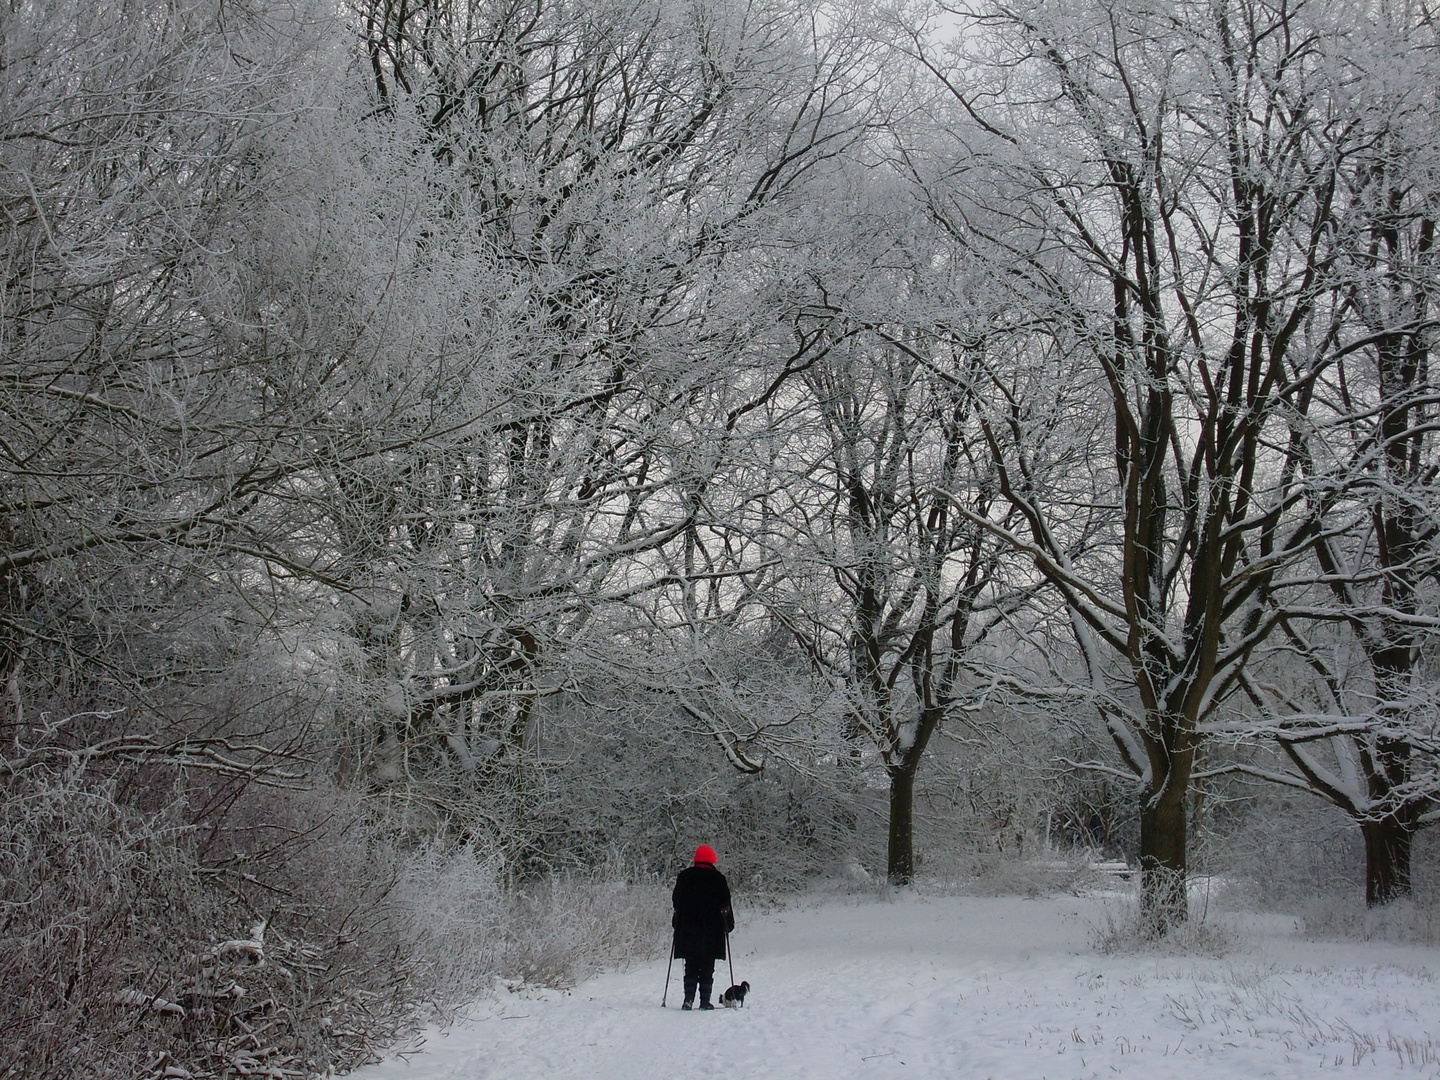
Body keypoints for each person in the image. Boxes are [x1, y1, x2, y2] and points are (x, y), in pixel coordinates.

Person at [671, 844, 733, 1010]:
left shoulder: (684, 876)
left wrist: (677, 922)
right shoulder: (717, 878)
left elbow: (676, 901)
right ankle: (705, 1001)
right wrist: (728, 924)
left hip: (688, 928)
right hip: (711, 929)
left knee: (690, 964)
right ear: (712, 859)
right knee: (707, 965)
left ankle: (688, 1000)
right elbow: (725, 903)